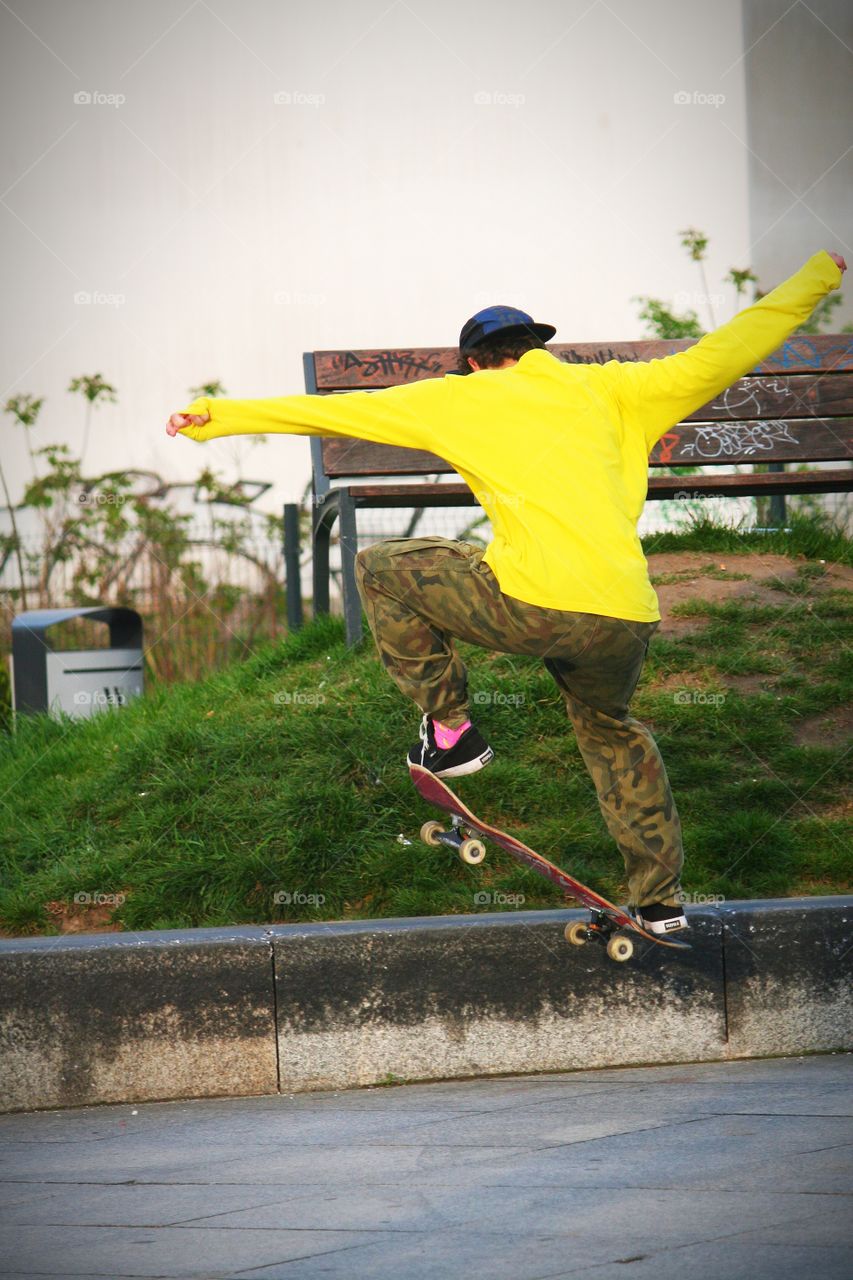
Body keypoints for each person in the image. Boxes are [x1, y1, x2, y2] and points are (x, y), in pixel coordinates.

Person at [167, 248, 846, 934]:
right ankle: (660, 899)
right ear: (534, 348)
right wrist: (818, 274)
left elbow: (332, 414)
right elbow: (731, 346)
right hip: (623, 616)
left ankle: (452, 732)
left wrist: (216, 416)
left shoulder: (461, 397)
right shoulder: (622, 388)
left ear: (474, 361)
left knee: (378, 567)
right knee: (614, 735)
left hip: (532, 604)